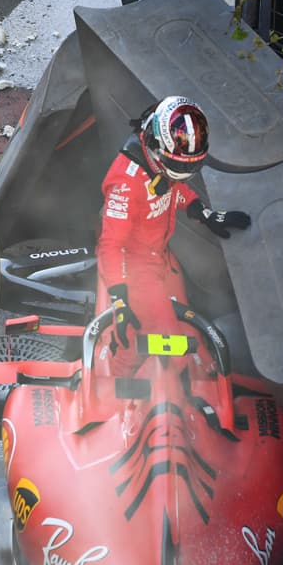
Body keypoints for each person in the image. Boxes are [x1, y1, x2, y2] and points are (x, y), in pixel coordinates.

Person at [95, 96, 250, 375]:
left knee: (181, 334)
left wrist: (204, 213)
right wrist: (120, 300)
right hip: (134, 268)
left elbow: (173, 188)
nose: (184, 174)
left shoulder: (159, 163)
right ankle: (114, 376)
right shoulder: (126, 183)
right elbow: (110, 246)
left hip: (161, 257)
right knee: (167, 345)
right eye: (179, 166)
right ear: (156, 146)